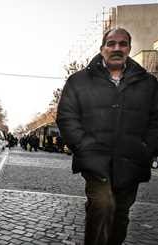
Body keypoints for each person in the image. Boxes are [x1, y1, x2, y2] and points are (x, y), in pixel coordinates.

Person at [56, 27, 158, 245]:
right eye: (111, 43)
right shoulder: (78, 81)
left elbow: (156, 122)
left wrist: (145, 149)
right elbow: (67, 118)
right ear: (102, 48)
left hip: (131, 161)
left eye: (123, 44)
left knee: (120, 215)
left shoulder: (148, 84)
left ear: (129, 48)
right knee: (102, 205)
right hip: (95, 160)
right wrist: (85, 148)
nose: (117, 48)